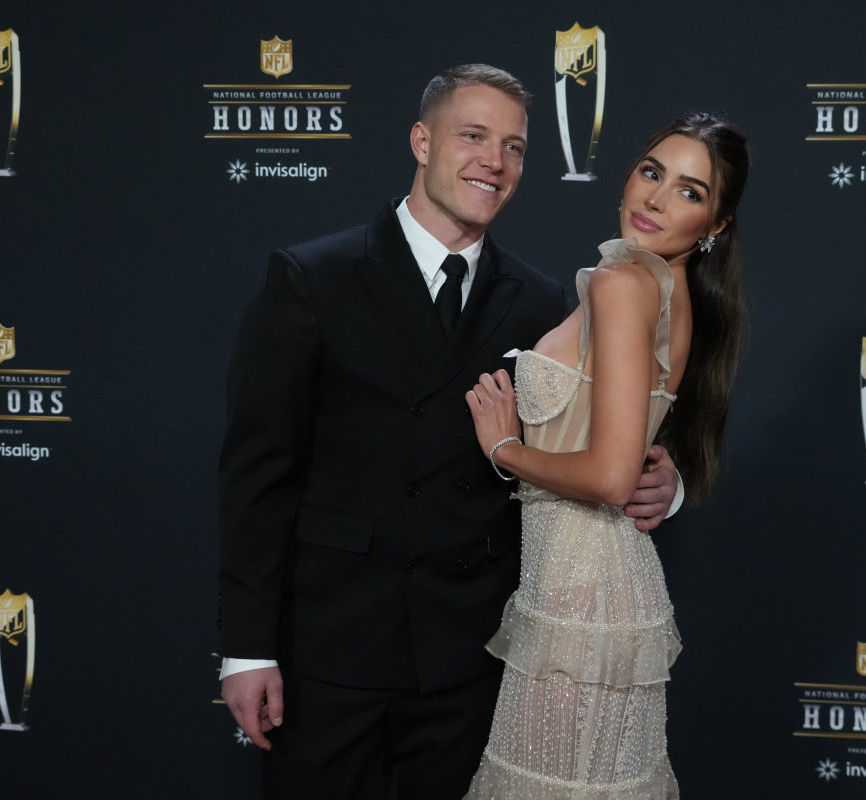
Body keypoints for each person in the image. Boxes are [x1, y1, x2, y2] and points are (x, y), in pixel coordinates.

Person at [217, 64, 681, 800]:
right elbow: (257, 476)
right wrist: (246, 649)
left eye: (515, 147)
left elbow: (598, 445)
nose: (494, 162)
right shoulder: (314, 278)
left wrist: (666, 483)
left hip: (471, 649)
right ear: (421, 140)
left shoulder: (541, 301)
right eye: (473, 136)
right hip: (333, 647)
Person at [462, 112, 750, 798]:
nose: (654, 197)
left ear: (716, 227)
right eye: (652, 172)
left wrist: (505, 447)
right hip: (592, 590)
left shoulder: (624, 286)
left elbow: (613, 475)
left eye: (690, 191)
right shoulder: (667, 292)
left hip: (580, 599)